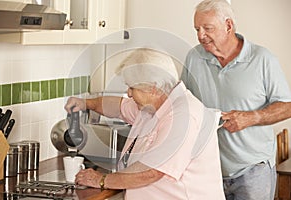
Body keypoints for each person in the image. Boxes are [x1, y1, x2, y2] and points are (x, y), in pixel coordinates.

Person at [65, 48, 225, 199]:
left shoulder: (184, 115)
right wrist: (85, 103)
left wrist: (102, 180)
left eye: (132, 87)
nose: (128, 93)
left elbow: (150, 172)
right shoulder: (154, 106)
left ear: (153, 88)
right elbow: (118, 106)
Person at [181, 0, 291, 199]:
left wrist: (252, 118)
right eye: (197, 29)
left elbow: (287, 106)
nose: (200, 36)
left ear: (228, 26)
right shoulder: (193, 58)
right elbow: (184, 105)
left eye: (207, 28)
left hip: (252, 170)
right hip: (208, 170)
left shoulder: (262, 59)